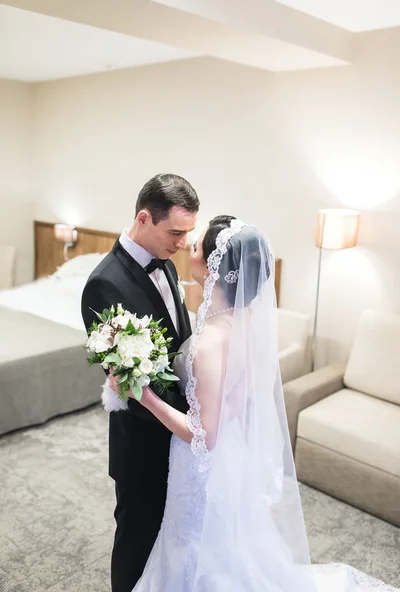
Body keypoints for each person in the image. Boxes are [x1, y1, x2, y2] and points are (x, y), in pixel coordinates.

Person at [107, 215, 397, 592]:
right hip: (229, 452)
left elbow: (203, 435)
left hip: (201, 463)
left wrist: (144, 397)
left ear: (215, 267)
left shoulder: (211, 341)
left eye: (196, 248)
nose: (189, 249)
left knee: (195, 547)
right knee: (220, 545)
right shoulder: (241, 321)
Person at [81, 173, 199, 592]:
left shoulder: (164, 260)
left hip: (181, 433)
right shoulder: (104, 283)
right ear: (145, 218)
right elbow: (129, 382)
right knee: (137, 538)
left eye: (188, 234)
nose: (183, 243)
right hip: (144, 441)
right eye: (176, 232)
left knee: (174, 536)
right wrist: (192, 424)